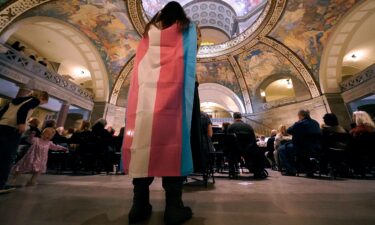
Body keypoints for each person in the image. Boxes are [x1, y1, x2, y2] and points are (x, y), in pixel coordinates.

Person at [122, 2, 198, 224]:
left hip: (144, 101)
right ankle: (174, 208)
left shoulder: (149, 31)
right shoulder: (187, 28)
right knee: (172, 148)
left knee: (142, 149)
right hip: (173, 100)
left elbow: (140, 64)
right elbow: (190, 59)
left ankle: (139, 207)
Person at [0, 90, 48, 193]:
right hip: (12, 128)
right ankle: (1, 184)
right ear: (42, 98)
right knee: (7, 157)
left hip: (2, 126)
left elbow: (2, 111)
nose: (42, 103)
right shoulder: (35, 100)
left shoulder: (15, 101)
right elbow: (23, 109)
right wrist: (21, 123)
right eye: (44, 102)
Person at [227, 112, 267, 179]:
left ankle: (232, 172)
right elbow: (253, 140)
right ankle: (256, 171)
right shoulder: (248, 126)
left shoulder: (230, 127)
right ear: (241, 117)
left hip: (235, 150)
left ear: (233, 118)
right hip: (249, 150)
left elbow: (228, 140)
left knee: (230, 153)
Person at [282, 109, 321, 177]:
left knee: (281, 149)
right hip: (316, 148)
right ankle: (307, 169)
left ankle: (290, 170)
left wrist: (297, 122)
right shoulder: (316, 123)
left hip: (302, 148)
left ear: (301, 116)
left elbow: (288, 130)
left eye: (298, 116)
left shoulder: (300, 123)